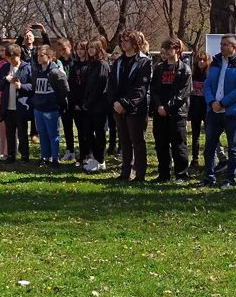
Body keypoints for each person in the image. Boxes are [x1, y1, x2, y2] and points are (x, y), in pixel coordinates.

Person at [202, 35, 236, 190]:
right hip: (214, 110)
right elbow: (207, 85)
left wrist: (222, 103)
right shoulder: (215, 62)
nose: (222, 47)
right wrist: (212, 102)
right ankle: (209, 177)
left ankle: (230, 178)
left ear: (233, 47)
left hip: (233, 111)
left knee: (233, 147)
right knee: (210, 145)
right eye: (221, 44)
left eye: (225, 44)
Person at [109, 30, 153, 184]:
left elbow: (141, 88)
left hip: (135, 109)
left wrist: (125, 104)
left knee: (137, 141)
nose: (123, 43)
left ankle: (139, 174)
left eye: (126, 40)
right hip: (118, 109)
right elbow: (112, 84)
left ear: (135, 43)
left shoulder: (144, 62)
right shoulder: (118, 62)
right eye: (121, 40)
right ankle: (125, 172)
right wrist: (115, 102)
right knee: (124, 141)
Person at [150, 37, 191, 183]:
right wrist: (159, 106)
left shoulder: (184, 69)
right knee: (161, 145)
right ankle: (163, 175)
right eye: (164, 48)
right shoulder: (159, 68)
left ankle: (181, 175)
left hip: (177, 113)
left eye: (169, 48)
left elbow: (183, 93)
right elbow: (153, 89)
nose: (166, 51)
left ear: (177, 50)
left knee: (178, 145)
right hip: (160, 113)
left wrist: (167, 108)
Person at [31, 44, 70, 168]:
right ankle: (44, 157)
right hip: (38, 108)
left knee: (53, 134)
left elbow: (64, 89)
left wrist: (58, 103)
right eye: (38, 55)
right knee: (42, 133)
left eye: (42, 55)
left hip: (51, 108)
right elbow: (34, 88)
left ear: (50, 57)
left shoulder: (55, 72)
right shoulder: (36, 72)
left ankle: (55, 158)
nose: (39, 58)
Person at [0, 44, 32, 164]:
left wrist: (22, 86)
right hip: (8, 106)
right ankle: (11, 155)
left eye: (13, 58)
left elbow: (33, 85)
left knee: (22, 133)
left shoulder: (27, 67)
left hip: (21, 106)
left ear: (19, 55)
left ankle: (25, 155)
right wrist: (6, 79)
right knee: (10, 132)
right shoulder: (5, 67)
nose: (11, 61)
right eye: (8, 58)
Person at [79, 39, 111, 172]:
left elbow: (100, 87)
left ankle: (100, 160)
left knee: (99, 132)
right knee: (86, 131)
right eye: (89, 48)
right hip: (89, 106)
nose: (90, 50)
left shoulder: (102, 65)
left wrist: (90, 102)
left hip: (99, 106)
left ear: (99, 49)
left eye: (93, 48)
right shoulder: (90, 65)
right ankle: (95, 157)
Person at [188, 50, 211, 173]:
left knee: (209, 135)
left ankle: (209, 159)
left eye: (204, 60)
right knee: (195, 136)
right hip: (195, 109)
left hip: (207, 109)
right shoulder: (193, 75)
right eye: (199, 60)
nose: (201, 62)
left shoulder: (209, 75)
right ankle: (195, 159)